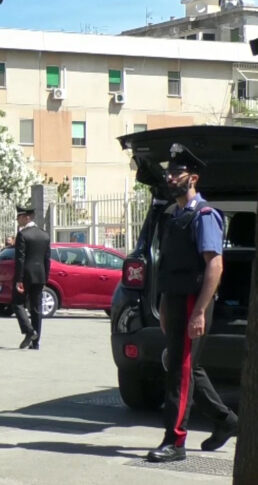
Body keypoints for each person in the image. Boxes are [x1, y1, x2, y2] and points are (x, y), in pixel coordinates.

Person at [146, 143, 238, 463]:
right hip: (174, 299)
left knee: (180, 371)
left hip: (192, 301)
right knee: (186, 366)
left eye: (177, 172)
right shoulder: (175, 216)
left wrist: (199, 310)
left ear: (193, 178)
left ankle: (176, 441)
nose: (170, 177)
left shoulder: (205, 215)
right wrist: (163, 304)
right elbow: (169, 265)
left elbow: (215, 265)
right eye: (169, 172)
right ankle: (226, 421)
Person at [12, 205, 50, 350]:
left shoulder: (23, 235)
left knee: (17, 303)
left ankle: (30, 331)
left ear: (26, 217)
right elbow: (47, 259)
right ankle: (36, 343)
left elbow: (20, 259)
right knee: (36, 309)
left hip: (25, 275)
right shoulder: (44, 235)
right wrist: (45, 278)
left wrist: (19, 279)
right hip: (40, 276)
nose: (17, 220)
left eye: (19, 217)